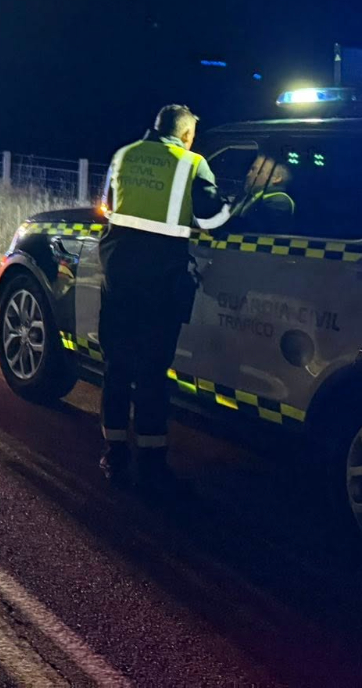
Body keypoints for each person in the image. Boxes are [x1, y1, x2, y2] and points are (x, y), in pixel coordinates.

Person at [97, 104, 234, 488]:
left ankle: (114, 454)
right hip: (161, 281)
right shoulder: (192, 163)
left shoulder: (124, 155)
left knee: (116, 367)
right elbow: (213, 220)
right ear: (186, 135)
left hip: (118, 275)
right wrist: (237, 205)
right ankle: (152, 461)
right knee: (152, 372)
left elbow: (109, 206)